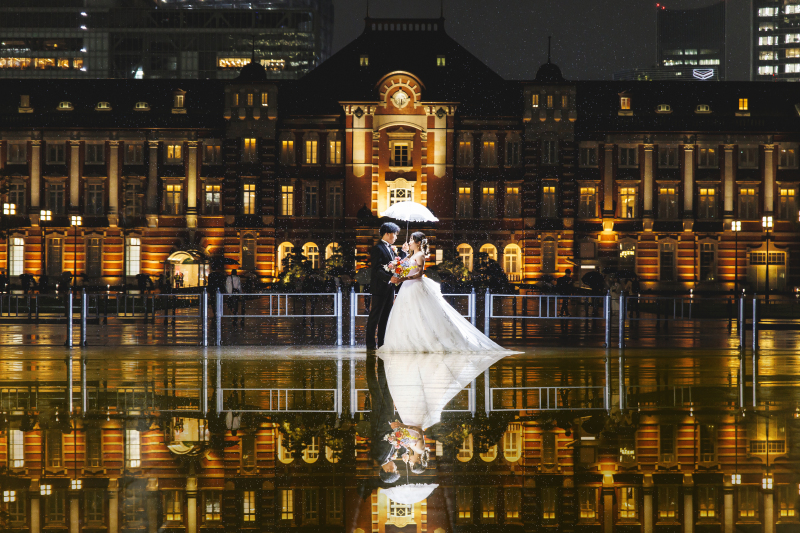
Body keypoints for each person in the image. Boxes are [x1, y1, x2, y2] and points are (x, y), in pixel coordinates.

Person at [365, 222, 408, 349]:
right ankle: (370, 344)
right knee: (375, 317)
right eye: (395, 234)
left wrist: (403, 252)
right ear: (387, 234)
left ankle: (382, 344)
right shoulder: (378, 248)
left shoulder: (391, 248)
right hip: (379, 288)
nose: (396, 237)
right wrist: (389, 278)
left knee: (385, 318)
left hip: (390, 288)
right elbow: (376, 269)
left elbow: (396, 263)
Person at [366, 351, 402, 483]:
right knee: (386, 388)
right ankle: (382, 360)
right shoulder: (388, 457)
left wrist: (390, 427)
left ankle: (370, 359)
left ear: (387, 471)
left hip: (380, 416)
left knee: (375, 388)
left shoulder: (379, 456)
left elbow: (379, 435)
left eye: (395, 469)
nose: (396, 467)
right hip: (388, 416)